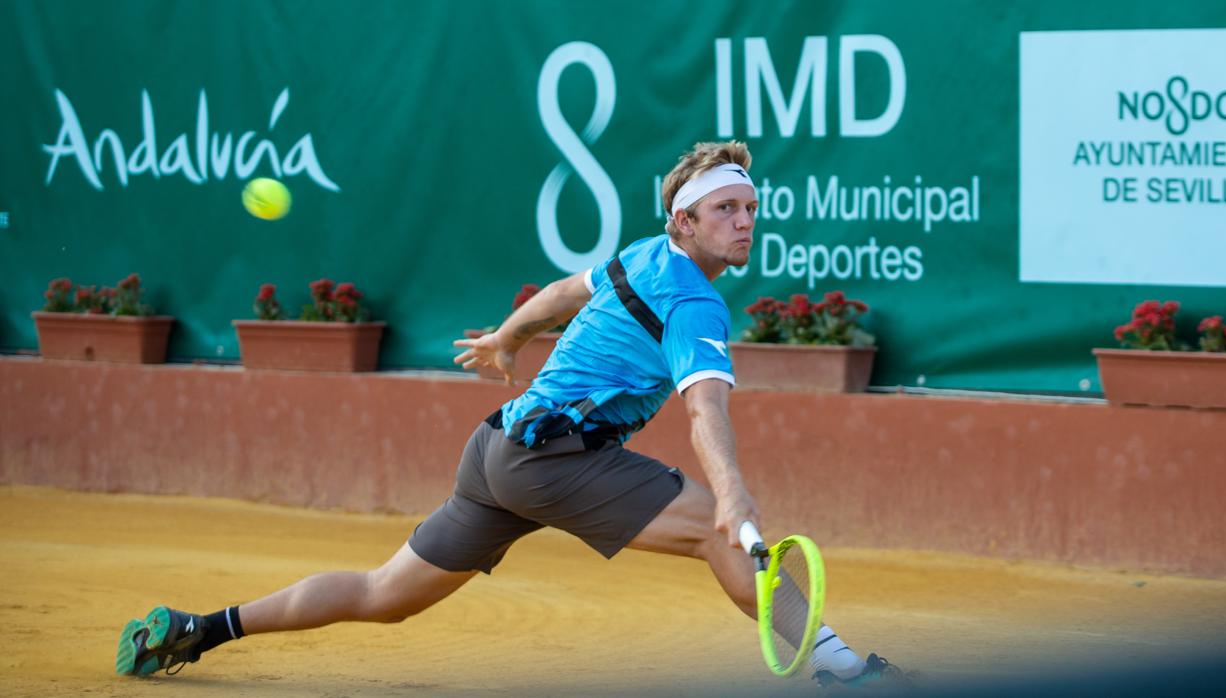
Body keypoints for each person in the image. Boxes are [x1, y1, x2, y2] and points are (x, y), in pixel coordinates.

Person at [115, 141, 903, 689]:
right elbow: (704, 408)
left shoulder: (644, 254)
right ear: (685, 221)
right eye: (726, 208)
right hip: (554, 459)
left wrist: (509, 335)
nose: (745, 220)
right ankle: (837, 666)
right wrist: (730, 491)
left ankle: (198, 628)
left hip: (497, 447)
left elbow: (562, 292)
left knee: (384, 594)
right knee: (713, 530)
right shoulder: (695, 301)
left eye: (750, 207)